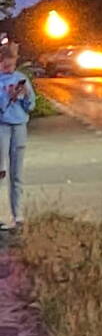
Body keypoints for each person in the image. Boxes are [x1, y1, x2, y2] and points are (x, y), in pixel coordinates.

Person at [0, 43, 35, 231]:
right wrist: (7, 96)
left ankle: (18, 216)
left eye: (12, 65)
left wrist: (25, 95)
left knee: (17, 174)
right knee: (0, 171)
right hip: (2, 126)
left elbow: (31, 105)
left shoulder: (21, 78)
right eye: (6, 66)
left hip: (19, 125)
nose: (9, 69)